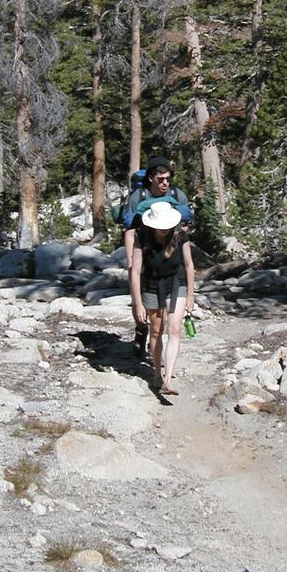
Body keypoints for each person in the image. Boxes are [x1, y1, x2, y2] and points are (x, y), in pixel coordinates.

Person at [123, 156, 192, 354]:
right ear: (151, 178)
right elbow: (129, 229)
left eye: (167, 178)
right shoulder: (138, 197)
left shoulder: (178, 196)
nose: (165, 183)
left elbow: (184, 227)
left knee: (169, 316)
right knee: (143, 303)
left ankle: (158, 352)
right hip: (145, 257)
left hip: (171, 260)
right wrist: (130, 260)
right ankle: (141, 329)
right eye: (161, 179)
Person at [130, 201, 195, 395]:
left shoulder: (180, 236)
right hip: (151, 284)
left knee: (174, 330)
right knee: (156, 331)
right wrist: (138, 303)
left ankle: (168, 378)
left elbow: (189, 265)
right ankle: (157, 372)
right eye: (161, 227)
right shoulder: (141, 236)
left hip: (176, 283)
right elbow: (135, 272)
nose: (164, 230)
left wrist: (191, 295)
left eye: (166, 227)